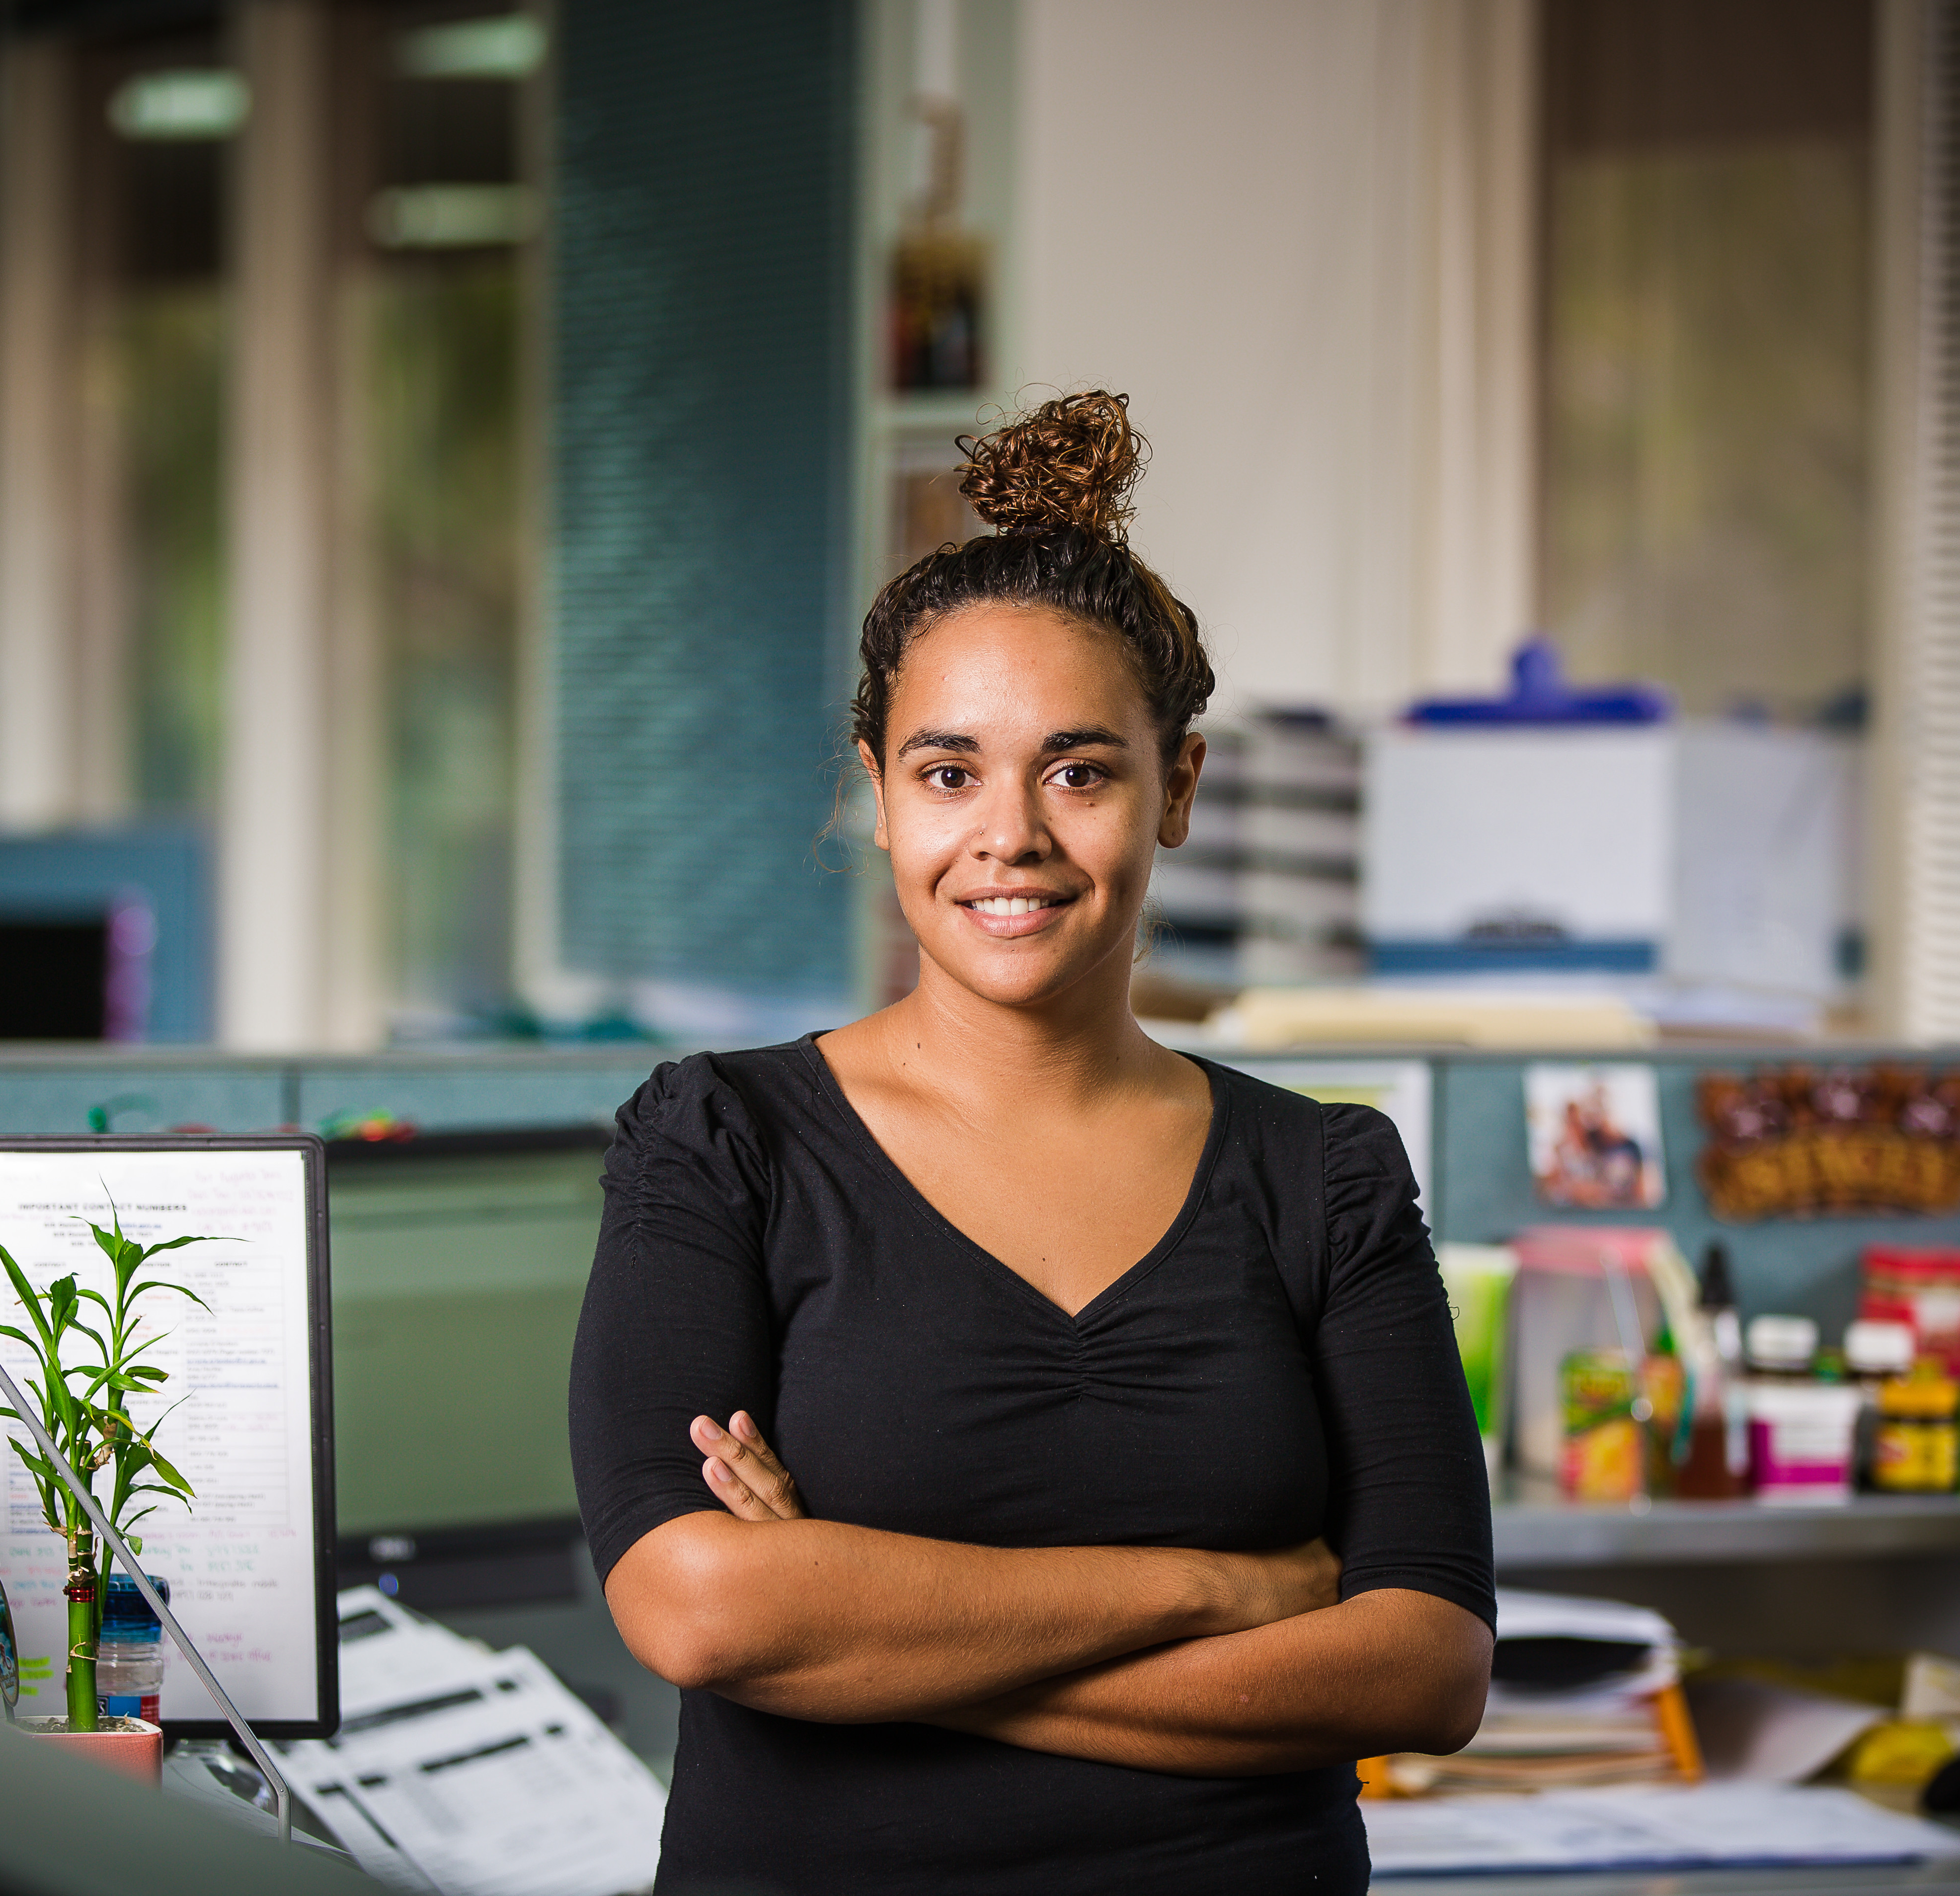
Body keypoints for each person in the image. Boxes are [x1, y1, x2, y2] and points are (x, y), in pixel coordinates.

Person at [568, 391, 1495, 1894]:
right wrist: (1222, 1589)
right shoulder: (724, 1144)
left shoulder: (1325, 1175)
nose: (1010, 834)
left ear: (1175, 789)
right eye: (948, 773)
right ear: (876, 792)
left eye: (1079, 769)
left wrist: (866, 1626)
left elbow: (1424, 1668)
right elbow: (703, 1612)